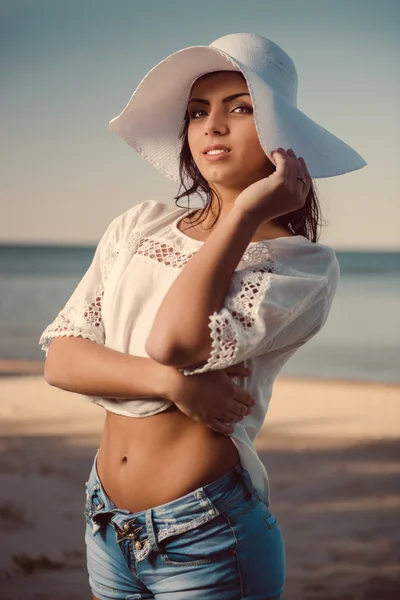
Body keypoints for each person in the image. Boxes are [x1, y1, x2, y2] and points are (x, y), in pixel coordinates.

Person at [39, 32, 366, 600]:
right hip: (105, 523)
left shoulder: (300, 265)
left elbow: (177, 343)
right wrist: (174, 388)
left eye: (241, 108)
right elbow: (63, 360)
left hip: (207, 533)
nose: (212, 126)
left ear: (281, 136)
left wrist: (243, 216)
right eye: (198, 112)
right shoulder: (140, 224)